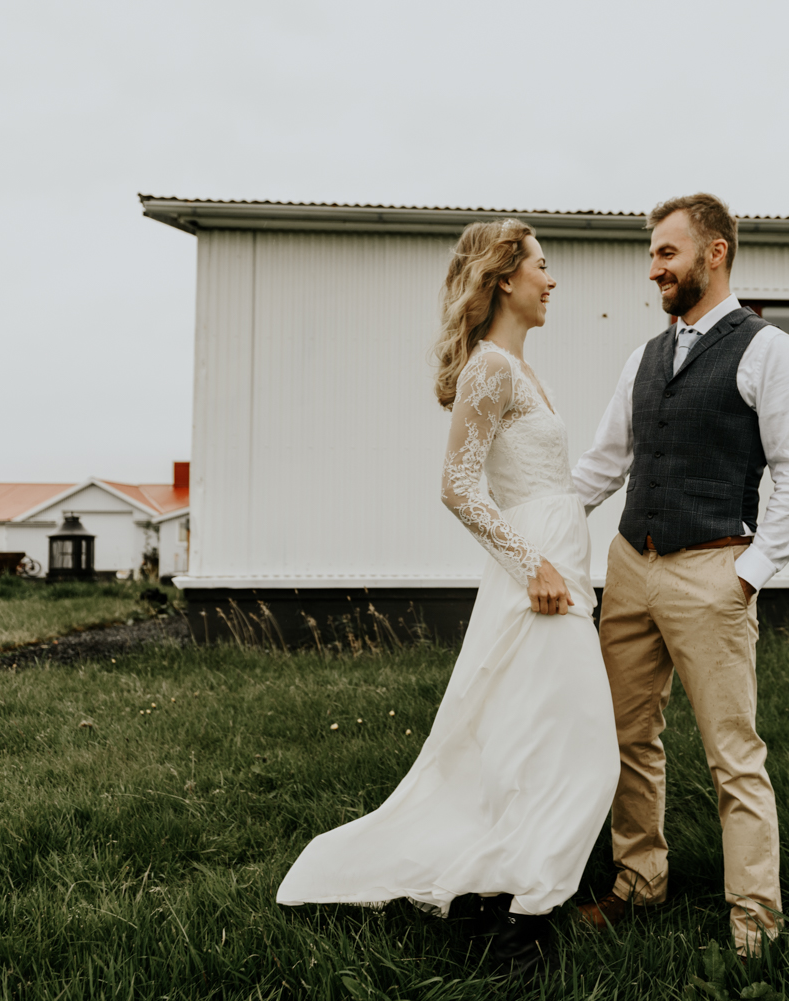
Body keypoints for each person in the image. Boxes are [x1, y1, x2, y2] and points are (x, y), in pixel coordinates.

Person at [277, 219, 619, 978]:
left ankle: (496, 896)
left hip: (559, 570)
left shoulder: (532, 373)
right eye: (540, 266)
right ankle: (515, 918)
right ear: (504, 279)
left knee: (536, 739)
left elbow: (551, 485)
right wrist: (531, 563)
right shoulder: (490, 369)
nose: (551, 279)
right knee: (587, 747)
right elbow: (457, 486)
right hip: (536, 580)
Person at [570, 193, 789, 957]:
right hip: (629, 567)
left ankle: (754, 925)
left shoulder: (767, 349)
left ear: (715, 253)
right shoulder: (644, 356)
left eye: (667, 253)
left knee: (732, 755)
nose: (654, 268)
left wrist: (747, 574)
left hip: (712, 569)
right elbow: (604, 464)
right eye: (652, 254)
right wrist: (539, 523)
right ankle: (639, 880)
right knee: (627, 737)